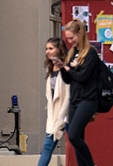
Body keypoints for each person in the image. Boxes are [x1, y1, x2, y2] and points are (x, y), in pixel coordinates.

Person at [57, 20, 101, 166]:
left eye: (72, 38)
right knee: (77, 138)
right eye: (67, 38)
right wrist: (62, 68)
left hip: (88, 99)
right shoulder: (72, 53)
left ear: (80, 34)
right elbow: (68, 80)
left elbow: (83, 77)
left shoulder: (90, 53)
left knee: (74, 135)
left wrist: (70, 69)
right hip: (74, 99)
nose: (70, 41)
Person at [38, 37, 70, 166]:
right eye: (46, 49)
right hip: (55, 115)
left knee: (77, 146)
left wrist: (62, 117)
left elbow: (69, 94)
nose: (47, 52)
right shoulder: (50, 69)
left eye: (51, 48)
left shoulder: (67, 68)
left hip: (68, 114)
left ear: (59, 50)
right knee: (47, 146)